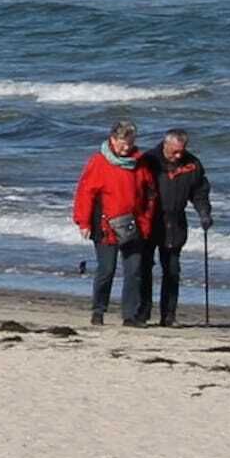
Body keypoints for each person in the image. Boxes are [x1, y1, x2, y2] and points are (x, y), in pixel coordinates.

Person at [71, 119, 159, 326]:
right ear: (113, 139)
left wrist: (145, 223)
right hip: (105, 226)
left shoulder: (140, 163)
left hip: (133, 225)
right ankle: (98, 310)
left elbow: (150, 195)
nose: (126, 147)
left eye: (130, 143)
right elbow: (85, 193)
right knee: (106, 269)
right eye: (122, 143)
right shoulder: (98, 162)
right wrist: (83, 222)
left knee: (134, 270)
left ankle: (129, 315)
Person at [144, 128, 214, 327]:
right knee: (144, 268)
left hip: (175, 222)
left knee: (172, 270)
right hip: (150, 220)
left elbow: (200, 191)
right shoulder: (149, 160)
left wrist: (204, 213)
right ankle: (142, 314)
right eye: (174, 151)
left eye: (181, 151)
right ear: (165, 145)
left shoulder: (192, 164)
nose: (178, 155)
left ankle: (168, 316)